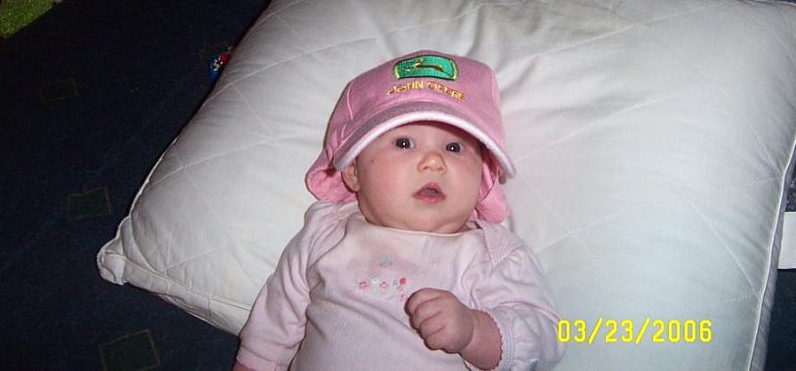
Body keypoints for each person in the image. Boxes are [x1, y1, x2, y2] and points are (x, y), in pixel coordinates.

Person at [234, 50, 564, 371]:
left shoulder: (494, 254)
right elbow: (274, 324)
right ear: (354, 170)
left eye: (454, 147)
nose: (434, 161)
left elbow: (546, 342)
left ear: (482, 175)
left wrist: (475, 331)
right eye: (404, 143)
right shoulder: (326, 231)